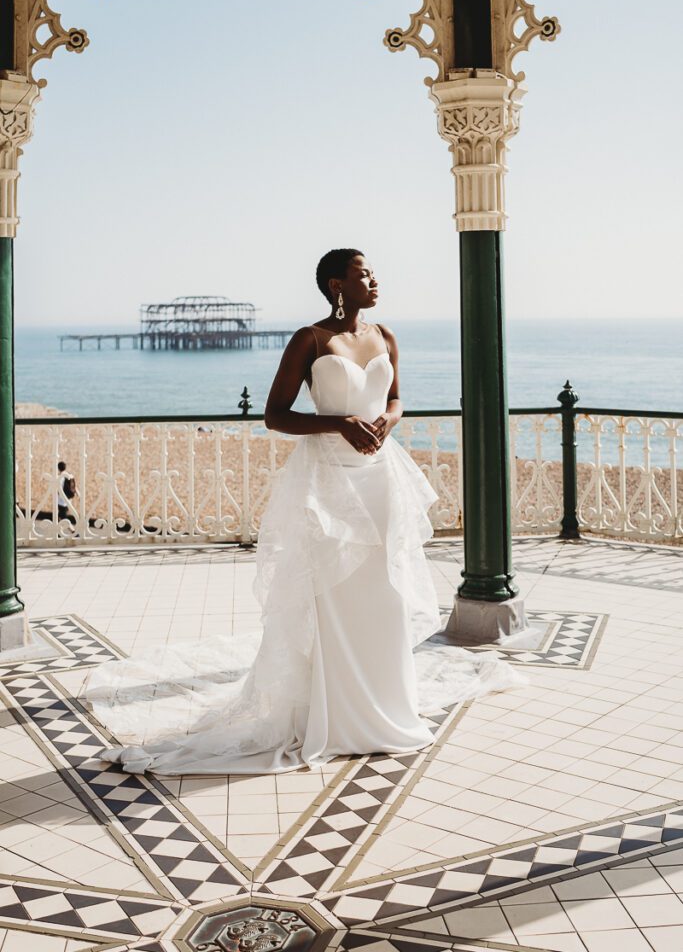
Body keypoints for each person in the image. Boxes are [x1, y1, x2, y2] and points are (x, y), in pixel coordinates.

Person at [82, 250, 523, 775]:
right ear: (338, 284)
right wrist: (339, 424)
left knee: (383, 591)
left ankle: (385, 705)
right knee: (335, 596)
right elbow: (275, 415)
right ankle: (336, 714)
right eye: (364, 273)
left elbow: (398, 398)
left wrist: (386, 421)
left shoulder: (386, 335)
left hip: (381, 480)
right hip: (328, 487)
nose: (375, 279)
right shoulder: (309, 340)